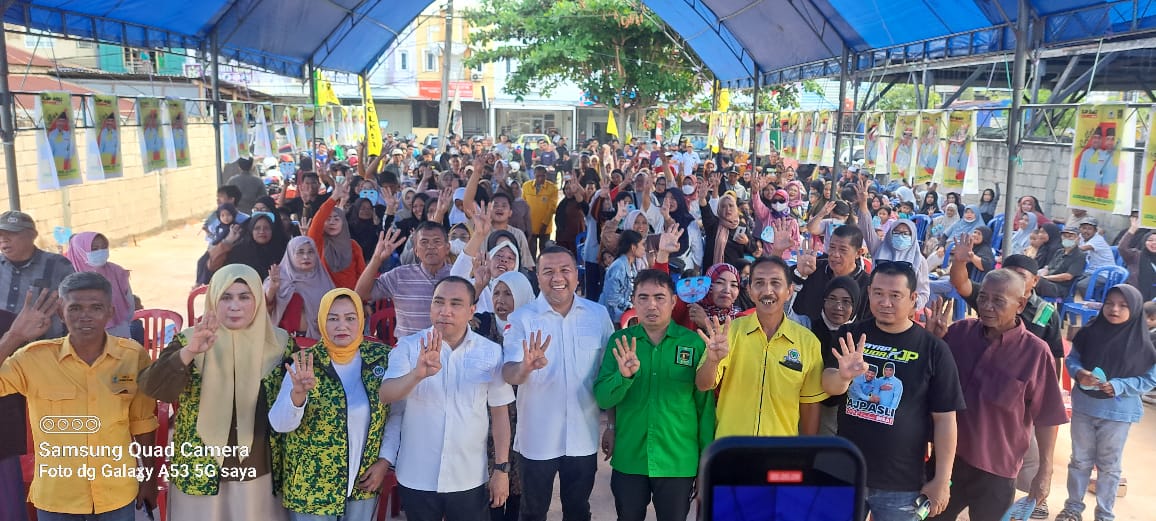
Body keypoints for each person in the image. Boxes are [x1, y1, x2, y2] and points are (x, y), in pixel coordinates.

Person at [139, 265, 294, 520]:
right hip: (200, 465)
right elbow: (153, 387)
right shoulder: (190, 339)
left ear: (258, 299)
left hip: (260, 466)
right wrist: (190, 352)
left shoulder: (281, 344)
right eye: (226, 297)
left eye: (244, 297)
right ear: (212, 299)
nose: (235, 306)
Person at [0, 274, 157, 521]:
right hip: (57, 498)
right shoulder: (33, 358)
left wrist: (148, 478)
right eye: (75, 308)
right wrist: (14, 336)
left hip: (116, 494)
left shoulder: (132, 356)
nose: (85, 316)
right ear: (61, 312)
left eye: (96, 308)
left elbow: (143, 422)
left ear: (110, 312)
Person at [822, 262, 965, 521]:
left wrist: (943, 480)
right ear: (869, 293)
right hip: (847, 473)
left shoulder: (933, 349)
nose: (885, 302)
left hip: (902, 484)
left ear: (913, 299)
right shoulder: (851, 334)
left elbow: (945, 419)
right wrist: (843, 376)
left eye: (895, 295)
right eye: (878, 293)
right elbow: (828, 385)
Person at [926, 270, 1068, 521]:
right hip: (948, 460)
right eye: (983, 298)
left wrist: (1045, 472)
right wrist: (933, 341)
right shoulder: (958, 334)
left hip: (997, 469)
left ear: (1020, 304)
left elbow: (1047, 417)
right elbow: (929, 381)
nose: (987, 307)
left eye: (998, 301)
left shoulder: (1035, 352)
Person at [379, 277, 515, 521]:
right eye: (439, 302)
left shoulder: (490, 352)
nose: (445, 311)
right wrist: (417, 375)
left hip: (469, 477)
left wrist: (501, 469)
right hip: (417, 474)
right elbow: (386, 394)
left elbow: (500, 415)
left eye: (456, 303)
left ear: (471, 310)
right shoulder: (409, 347)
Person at [502, 246, 614, 521]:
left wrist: (611, 425)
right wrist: (525, 367)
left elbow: (608, 375)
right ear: (538, 277)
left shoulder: (598, 315)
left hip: (583, 437)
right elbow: (509, 373)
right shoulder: (521, 318)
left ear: (576, 274)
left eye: (565, 270)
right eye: (548, 271)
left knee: (578, 511)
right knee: (532, 512)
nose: (557, 278)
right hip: (536, 439)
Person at [593, 270, 715, 521]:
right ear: (634, 301)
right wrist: (623, 377)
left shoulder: (693, 344)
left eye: (659, 297)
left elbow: (704, 409)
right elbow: (604, 398)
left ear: (673, 301)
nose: (651, 305)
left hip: (678, 461)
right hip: (630, 457)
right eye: (643, 297)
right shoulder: (620, 342)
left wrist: (706, 463)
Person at [269, 288, 392, 521]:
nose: (341, 326)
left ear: (361, 320)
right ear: (321, 322)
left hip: (362, 485)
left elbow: (395, 416)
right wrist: (297, 395)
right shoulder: (305, 363)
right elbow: (279, 424)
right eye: (333, 318)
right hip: (311, 490)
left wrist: (385, 461)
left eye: (350, 318)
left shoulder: (381, 359)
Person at [696, 256, 827, 437]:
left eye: (775, 283)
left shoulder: (808, 342)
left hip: (780, 448)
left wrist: (806, 449)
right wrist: (712, 361)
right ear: (749, 291)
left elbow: (810, 404)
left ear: (789, 291)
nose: (767, 291)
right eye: (759, 283)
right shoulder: (729, 332)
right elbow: (703, 385)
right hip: (731, 446)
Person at [1056, 284, 1156, 521]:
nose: (1114, 309)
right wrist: (1079, 373)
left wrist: (1120, 386)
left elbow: (1150, 379)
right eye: (1109, 303)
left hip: (1118, 414)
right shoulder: (1090, 332)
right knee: (1079, 460)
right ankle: (1073, 509)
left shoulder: (1145, 344)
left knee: (1109, 465)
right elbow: (1073, 359)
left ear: (1135, 309)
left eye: (1123, 305)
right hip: (1084, 407)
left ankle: (1104, 514)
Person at [0, 210, 76, 519]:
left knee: (47, 432)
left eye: (11, 234)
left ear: (32, 235)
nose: (4, 240)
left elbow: (73, 309)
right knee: (14, 434)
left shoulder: (58, 266)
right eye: (0, 234)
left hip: (45, 362)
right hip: (5, 362)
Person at [356, 222, 450, 338]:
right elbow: (361, 294)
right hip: (407, 347)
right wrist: (377, 259)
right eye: (424, 242)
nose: (430, 246)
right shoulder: (399, 276)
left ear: (447, 248)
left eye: (437, 241)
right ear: (416, 251)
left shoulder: (458, 275)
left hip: (448, 347)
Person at [810, 276, 861, 435]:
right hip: (804, 404)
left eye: (846, 301)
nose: (838, 306)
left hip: (842, 410)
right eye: (832, 299)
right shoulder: (807, 328)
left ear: (856, 305)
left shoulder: (860, 336)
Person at [63, 232, 135, 338]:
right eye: (94, 248)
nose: (100, 252)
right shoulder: (67, 279)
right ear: (79, 251)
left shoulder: (116, 271)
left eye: (104, 247)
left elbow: (129, 303)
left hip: (119, 331)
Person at [793, 224, 871, 321]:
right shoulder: (812, 268)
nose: (835, 254)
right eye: (832, 247)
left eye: (843, 250)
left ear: (858, 253)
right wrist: (800, 275)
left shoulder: (867, 285)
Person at [266, 237, 335, 339]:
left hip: (319, 340)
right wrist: (272, 289)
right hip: (283, 342)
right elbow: (262, 311)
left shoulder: (324, 280)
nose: (306, 257)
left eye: (310, 252)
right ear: (290, 254)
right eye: (300, 252)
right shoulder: (277, 279)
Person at [308, 181, 367, 290]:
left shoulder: (353, 246)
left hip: (350, 297)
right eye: (328, 219)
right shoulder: (319, 243)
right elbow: (317, 222)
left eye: (336, 219)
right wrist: (334, 197)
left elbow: (362, 275)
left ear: (343, 223)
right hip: (325, 297)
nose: (332, 222)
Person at [207, 213, 290, 280]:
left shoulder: (281, 251)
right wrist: (228, 241)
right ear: (251, 230)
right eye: (257, 228)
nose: (262, 231)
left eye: (266, 228)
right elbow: (213, 266)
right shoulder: (239, 251)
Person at [600, 230, 645, 323]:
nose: (644, 248)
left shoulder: (631, 265)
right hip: (612, 318)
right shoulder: (618, 267)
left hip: (622, 315)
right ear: (633, 247)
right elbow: (612, 297)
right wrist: (630, 306)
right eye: (642, 245)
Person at [1036, 224, 1087, 299]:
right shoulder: (1059, 252)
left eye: (1070, 236)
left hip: (1060, 288)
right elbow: (1048, 267)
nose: (1067, 239)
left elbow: (1068, 276)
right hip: (1047, 281)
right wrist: (1042, 273)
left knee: (1037, 283)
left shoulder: (1080, 256)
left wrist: (1046, 278)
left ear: (1078, 239)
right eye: (1065, 236)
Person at [523, 166, 559, 257]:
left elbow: (552, 208)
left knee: (545, 253)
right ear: (534, 175)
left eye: (543, 176)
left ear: (546, 175)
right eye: (538, 176)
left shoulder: (553, 188)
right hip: (530, 226)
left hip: (545, 228)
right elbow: (523, 205)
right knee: (531, 253)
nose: (540, 178)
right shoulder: (526, 186)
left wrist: (544, 224)